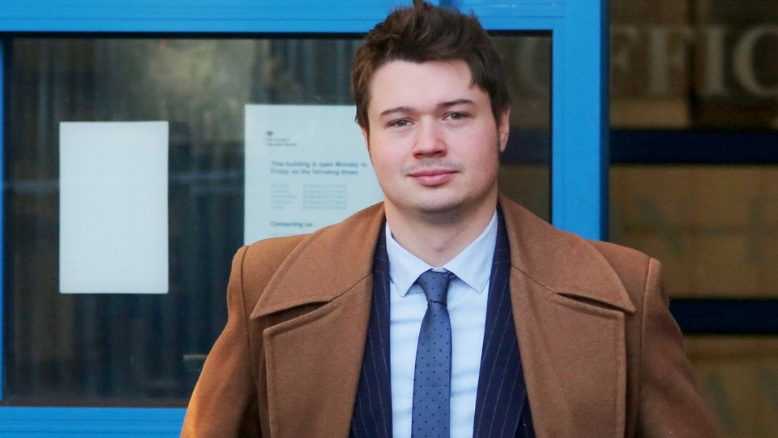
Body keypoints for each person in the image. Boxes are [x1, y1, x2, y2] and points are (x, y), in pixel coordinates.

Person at [181, 2, 721, 437]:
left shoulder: (626, 292)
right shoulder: (267, 285)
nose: (429, 144)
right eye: (400, 122)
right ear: (367, 139)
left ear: (502, 126)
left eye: (455, 115)